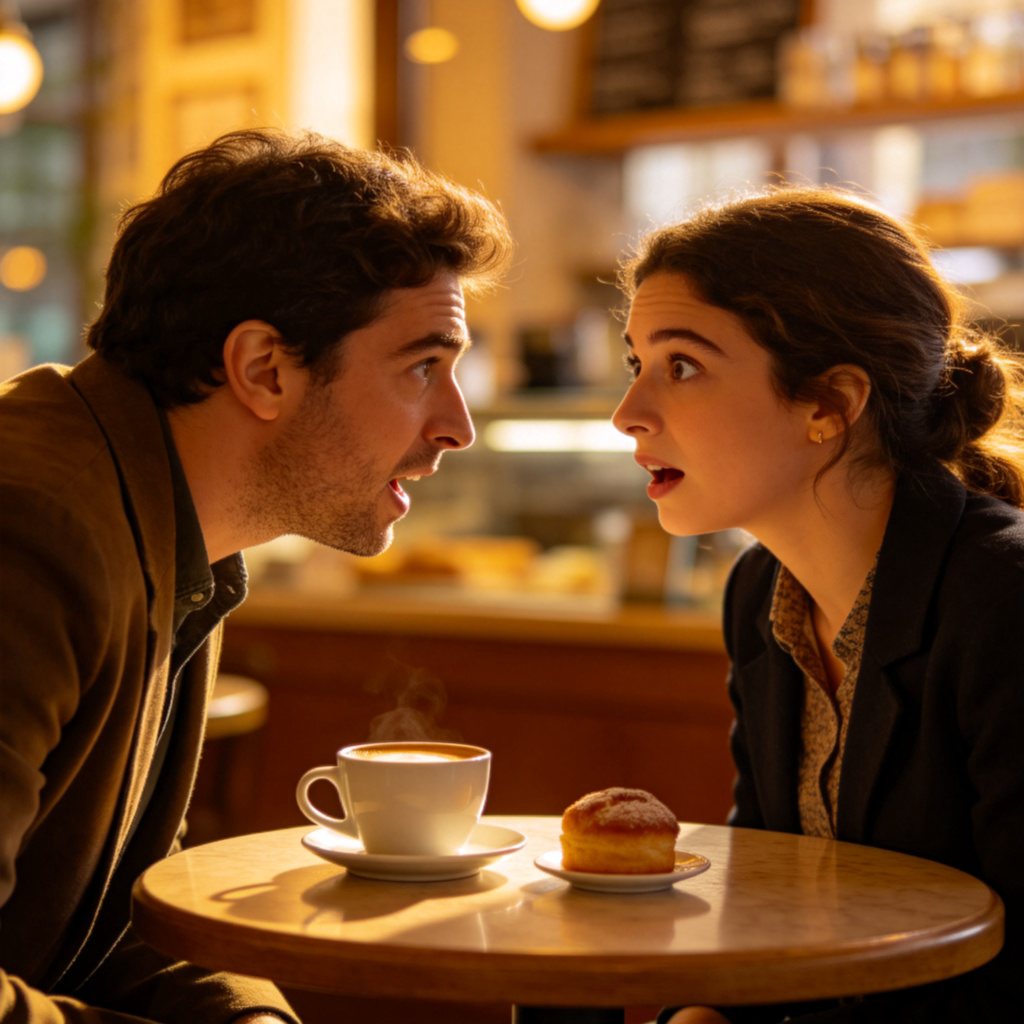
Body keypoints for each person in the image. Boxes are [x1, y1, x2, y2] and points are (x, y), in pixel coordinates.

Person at [0, 127, 513, 1022]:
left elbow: (109, 918)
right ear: (264, 369)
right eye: (423, 366)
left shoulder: (176, 523)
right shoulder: (33, 527)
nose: (457, 426)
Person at [611, 184, 1023, 1023]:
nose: (628, 414)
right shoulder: (760, 592)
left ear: (830, 404)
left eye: (681, 366)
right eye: (635, 364)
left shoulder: (1004, 603)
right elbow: (767, 895)